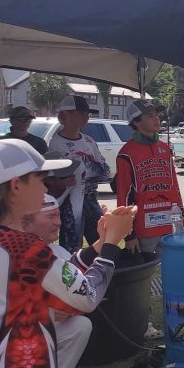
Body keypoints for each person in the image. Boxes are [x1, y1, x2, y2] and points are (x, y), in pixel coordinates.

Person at [0, 139, 135, 368]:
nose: (47, 185)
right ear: (15, 186)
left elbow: (54, 276)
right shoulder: (24, 250)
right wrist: (111, 244)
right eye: (39, 178)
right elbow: (86, 297)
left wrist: (100, 244)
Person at [19, 195, 87, 368]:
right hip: (3, 335)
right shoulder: (1, 251)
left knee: (79, 326)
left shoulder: (58, 253)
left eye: (58, 215)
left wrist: (69, 309)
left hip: (39, 328)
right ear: (26, 222)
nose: (58, 223)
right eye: (51, 217)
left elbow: (81, 295)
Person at [116, 99, 183, 254]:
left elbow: (174, 185)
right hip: (145, 229)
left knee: (171, 270)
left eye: (156, 115)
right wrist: (129, 234)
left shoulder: (165, 149)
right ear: (136, 122)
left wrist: (180, 213)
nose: (156, 118)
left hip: (170, 225)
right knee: (151, 275)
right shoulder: (127, 153)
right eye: (149, 116)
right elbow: (124, 196)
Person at [48, 94, 110, 253]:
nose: (87, 117)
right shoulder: (56, 144)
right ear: (67, 114)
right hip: (70, 202)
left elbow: (105, 171)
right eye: (82, 112)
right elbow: (53, 179)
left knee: (103, 243)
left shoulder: (89, 140)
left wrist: (83, 171)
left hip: (91, 198)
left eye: (88, 113)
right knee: (71, 248)